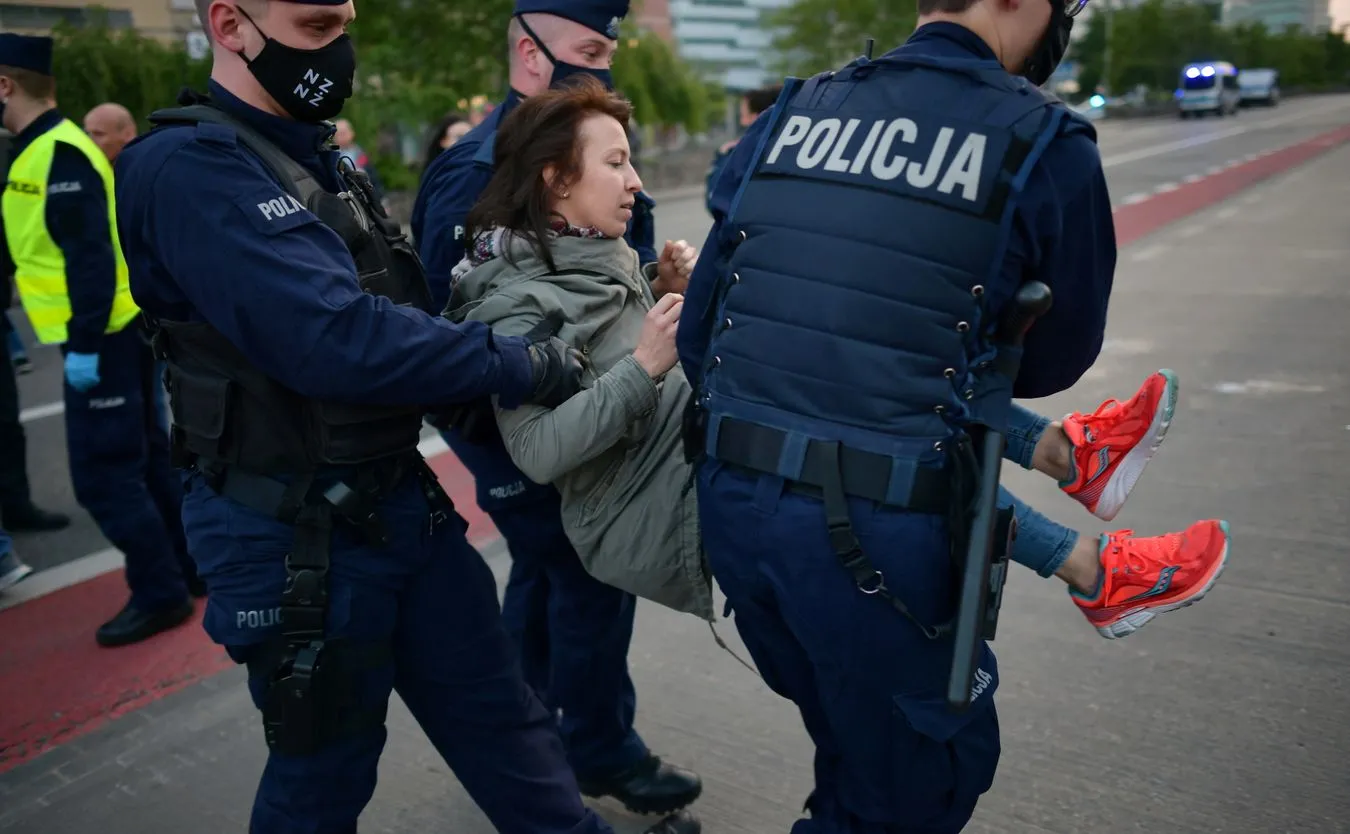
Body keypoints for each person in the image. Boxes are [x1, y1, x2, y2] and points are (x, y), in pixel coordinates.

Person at [113, 1, 689, 832]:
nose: (339, 49)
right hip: (290, 535)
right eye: (316, 28)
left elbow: (421, 317)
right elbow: (334, 337)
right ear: (230, 25)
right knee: (324, 776)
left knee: (511, 730)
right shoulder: (190, 168)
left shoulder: (318, 162)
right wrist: (524, 364)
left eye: (342, 24)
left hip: (394, 505)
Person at [677, 2, 1231, 831]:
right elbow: (1051, 359)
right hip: (870, 542)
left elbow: (701, 331)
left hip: (734, 517)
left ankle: (1080, 488)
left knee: (850, 750)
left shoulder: (794, 113)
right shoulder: (1045, 141)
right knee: (918, 786)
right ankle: (1078, 482)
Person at [412, 0, 704, 821]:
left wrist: (655, 277)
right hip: (517, 428)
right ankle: (587, 748)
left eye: (609, 51)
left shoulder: (589, 133)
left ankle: (533, 742)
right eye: (586, 50)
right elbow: (463, 320)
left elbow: (592, 286)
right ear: (529, 53)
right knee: (582, 579)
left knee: (554, 587)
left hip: (591, 407)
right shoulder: (477, 173)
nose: (602, 67)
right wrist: (506, 454)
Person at [446, 79, 708, 618]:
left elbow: (602, 334)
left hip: (680, 481)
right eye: (616, 163)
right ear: (558, 178)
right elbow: (536, 451)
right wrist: (646, 365)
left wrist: (662, 289)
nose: (635, 181)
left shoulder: (596, 250)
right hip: (635, 517)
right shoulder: (517, 300)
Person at [0, 33, 200, 647]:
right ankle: (187, 571)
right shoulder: (43, 149)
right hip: (108, 333)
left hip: (101, 337)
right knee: (141, 460)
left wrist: (84, 344)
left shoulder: (57, 154)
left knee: (105, 477)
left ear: (5, 86)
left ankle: (161, 591)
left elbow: (87, 262)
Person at [705, 85, 780, 213]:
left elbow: (718, 201)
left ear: (760, 116)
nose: (742, 122)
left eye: (744, 116)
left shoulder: (741, 155)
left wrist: (724, 157)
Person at [332, 117, 385, 202]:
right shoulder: (332, 157)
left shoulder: (361, 154)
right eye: (339, 134)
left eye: (344, 133)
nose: (342, 137)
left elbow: (374, 179)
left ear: (352, 133)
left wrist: (381, 199)